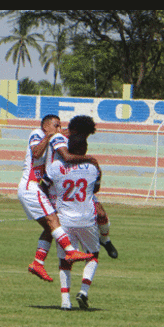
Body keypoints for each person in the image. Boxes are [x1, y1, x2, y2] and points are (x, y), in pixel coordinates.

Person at [18, 114, 96, 282]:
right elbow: (37, 153)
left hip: (39, 187)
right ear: (46, 126)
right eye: (56, 125)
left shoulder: (55, 135)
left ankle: (38, 263)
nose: (59, 129)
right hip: (31, 185)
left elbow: (65, 134)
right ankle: (70, 250)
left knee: (51, 227)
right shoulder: (37, 133)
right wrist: (90, 159)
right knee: (53, 219)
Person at [41, 133, 101, 310]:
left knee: (65, 261)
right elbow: (96, 188)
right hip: (87, 218)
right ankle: (83, 291)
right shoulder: (92, 167)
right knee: (92, 255)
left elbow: (43, 186)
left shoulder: (56, 166)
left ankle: (65, 301)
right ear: (84, 149)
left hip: (64, 219)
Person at [45, 115, 118, 259]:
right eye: (84, 135)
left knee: (101, 214)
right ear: (76, 130)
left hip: (77, 182)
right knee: (52, 226)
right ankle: (55, 257)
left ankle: (105, 240)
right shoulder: (59, 138)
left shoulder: (76, 139)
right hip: (59, 185)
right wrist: (91, 159)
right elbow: (66, 157)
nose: (85, 139)